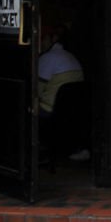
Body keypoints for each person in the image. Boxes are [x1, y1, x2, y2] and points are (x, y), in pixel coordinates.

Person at [38, 25, 89, 161]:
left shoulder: (48, 58)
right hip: (68, 111)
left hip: (49, 109)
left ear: (53, 39)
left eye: (43, 39)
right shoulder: (69, 56)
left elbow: (36, 89)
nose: (40, 42)